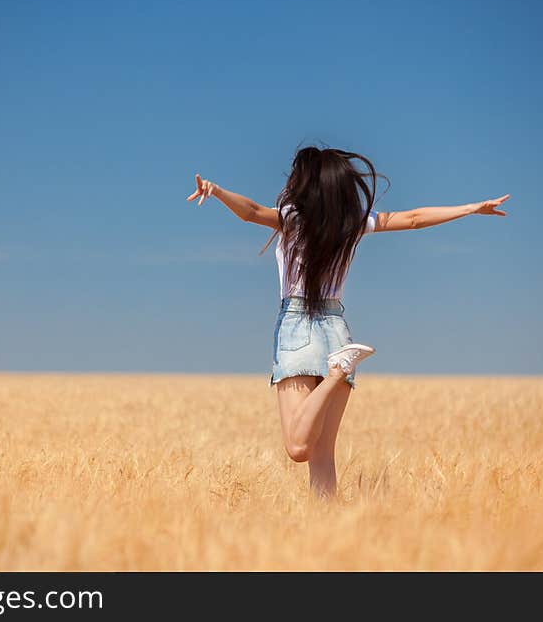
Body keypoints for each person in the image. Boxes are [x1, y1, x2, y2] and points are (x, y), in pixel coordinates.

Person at [186, 145, 510, 498]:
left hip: (296, 327)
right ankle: (326, 539)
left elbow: (250, 212)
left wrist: (216, 191)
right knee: (322, 457)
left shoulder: (293, 216)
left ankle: (336, 373)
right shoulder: (352, 222)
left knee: (298, 449)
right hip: (337, 332)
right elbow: (414, 218)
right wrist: (472, 208)